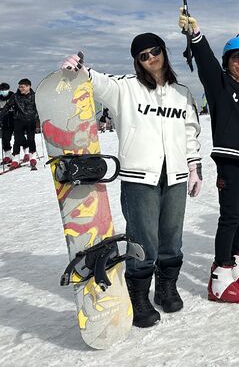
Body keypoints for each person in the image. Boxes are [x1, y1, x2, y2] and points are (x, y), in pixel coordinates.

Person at [59, 34, 202, 328]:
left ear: (163, 51)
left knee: (172, 237)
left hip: (174, 176)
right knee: (143, 239)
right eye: (143, 55)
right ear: (137, 61)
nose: (151, 58)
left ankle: (166, 287)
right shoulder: (126, 88)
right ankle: (138, 296)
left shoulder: (182, 93)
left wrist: (193, 167)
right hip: (140, 177)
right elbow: (99, 83)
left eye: (155, 51)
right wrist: (80, 71)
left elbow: (190, 133)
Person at [179, 10, 239, 303]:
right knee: (230, 216)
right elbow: (204, 61)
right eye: (236, 58)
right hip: (230, 158)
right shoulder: (220, 85)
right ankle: (220, 273)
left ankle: (236, 263)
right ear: (228, 61)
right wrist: (195, 34)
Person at [0, 79, 39, 168]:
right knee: (17, 140)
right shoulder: (15, 96)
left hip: (31, 121)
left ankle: (32, 157)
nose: (20, 88)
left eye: (22, 86)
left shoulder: (34, 96)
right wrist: (1, 116)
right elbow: (7, 107)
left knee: (31, 139)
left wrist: (39, 120)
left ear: (29, 86)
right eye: (19, 86)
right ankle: (15, 159)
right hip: (18, 121)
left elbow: (40, 108)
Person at [0, 83, 14, 166]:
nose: (2, 92)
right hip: (5, 122)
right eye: (1, 90)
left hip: (15, 120)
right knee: (5, 139)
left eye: (4, 90)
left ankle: (27, 152)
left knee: (20, 138)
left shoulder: (13, 96)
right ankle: (7, 156)